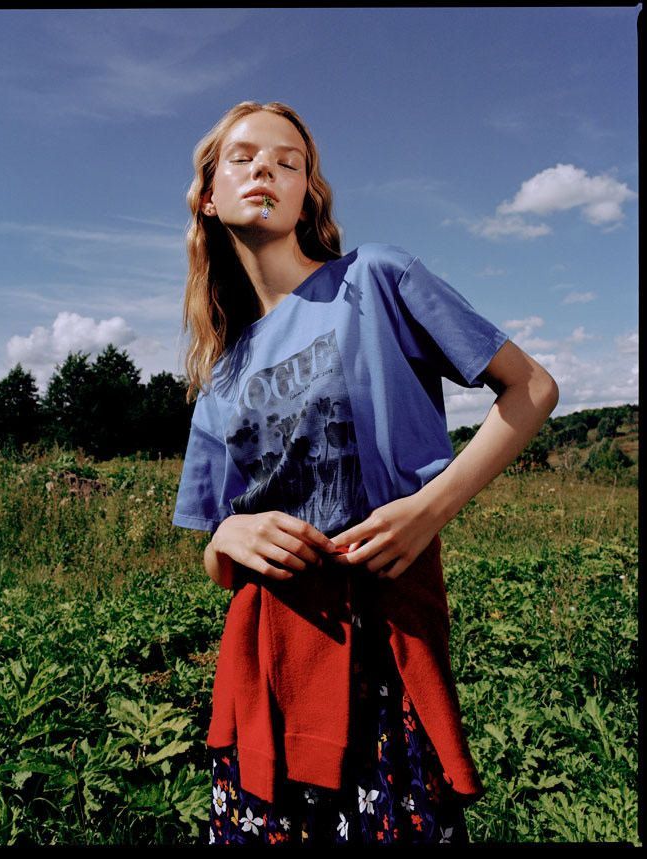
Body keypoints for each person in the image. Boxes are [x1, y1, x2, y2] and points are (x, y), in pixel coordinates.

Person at [172, 100, 559, 846]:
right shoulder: (221, 376)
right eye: (245, 157)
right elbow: (216, 556)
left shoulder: (375, 279)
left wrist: (430, 507)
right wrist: (229, 534)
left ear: (307, 196)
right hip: (264, 663)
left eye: (290, 163)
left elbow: (533, 388)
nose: (268, 170)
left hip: (381, 641)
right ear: (209, 198)